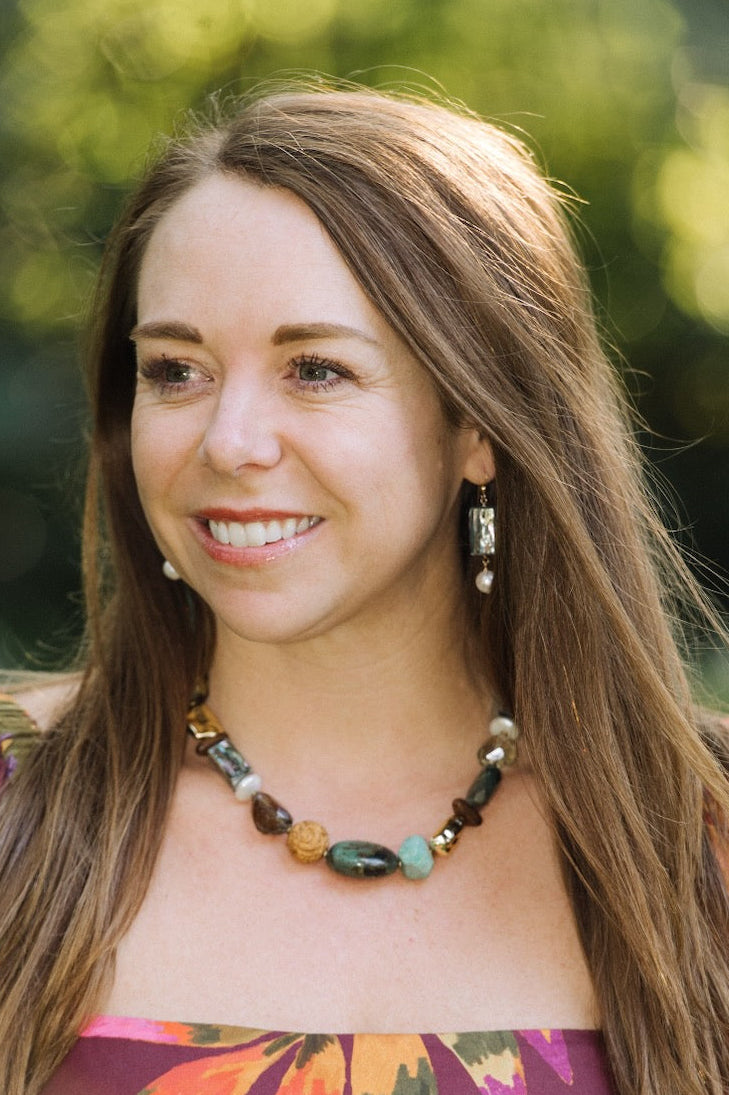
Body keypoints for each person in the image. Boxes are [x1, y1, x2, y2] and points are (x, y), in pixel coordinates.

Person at [1, 79, 728, 1095]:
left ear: (478, 425)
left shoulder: (699, 838)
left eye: (317, 370)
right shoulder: (16, 808)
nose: (228, 442)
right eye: (175, 369)